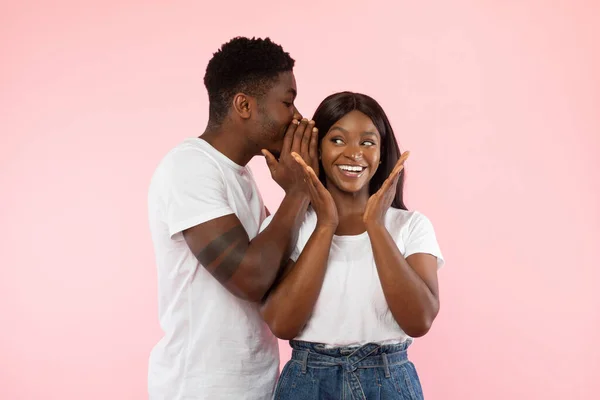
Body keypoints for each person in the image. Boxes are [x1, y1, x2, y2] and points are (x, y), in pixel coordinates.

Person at [147, 36, 319, 400]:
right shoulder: (189, 167)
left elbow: (281, 269)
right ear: (244, 105)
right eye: (287, 102)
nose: (298, 117)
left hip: (252, 388)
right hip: (199, 389)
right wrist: (298, 192)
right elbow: (252, 277)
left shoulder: (241, 176)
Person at [260, 91, 445, 399]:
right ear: (317, 150)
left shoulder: (411, 226)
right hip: (308, 381)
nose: (353, 153)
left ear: (382, 153)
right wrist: (325, 225)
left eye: (367, 142)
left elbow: (419, 321)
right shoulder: (290, 224)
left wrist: (375, 225)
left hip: (388, 379)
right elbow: (282, 324)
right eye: (337, 140)